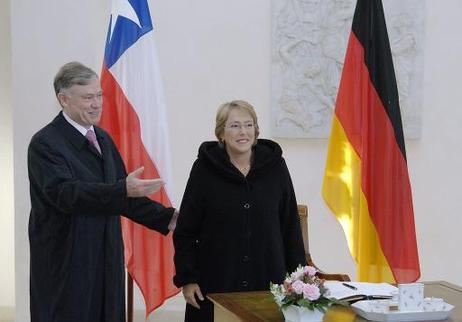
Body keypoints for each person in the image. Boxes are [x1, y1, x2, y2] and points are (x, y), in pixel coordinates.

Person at [27, 61, 178, 322]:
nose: (97, 103)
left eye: (99, 95)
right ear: (63, 99)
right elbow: (66, 194)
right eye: (87, 97)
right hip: (67, 264)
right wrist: (122, 190)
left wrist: (171, 218)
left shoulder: (103, 139)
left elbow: (123, 198)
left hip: (106, 259)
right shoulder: (45, 144)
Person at [173, 100, 307, 322]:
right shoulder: (203, 169)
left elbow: (290, 226)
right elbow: (186, 230)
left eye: (248, 125)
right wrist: (187, 278)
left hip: (269, 284)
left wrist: (298, 279)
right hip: (216, 283)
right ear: (221, 133)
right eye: (234, 126)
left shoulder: (276, 167)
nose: (243, 132)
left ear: (256, 130)